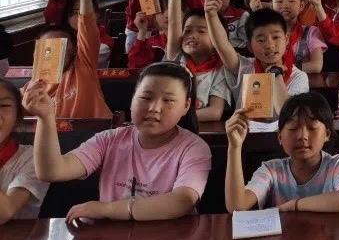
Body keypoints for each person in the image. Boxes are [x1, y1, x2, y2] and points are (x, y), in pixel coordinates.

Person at [22, 62, 211, 222]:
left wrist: (107, 209)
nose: (154, 108)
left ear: (186, 106)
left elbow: (182, 201)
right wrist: (45, 118)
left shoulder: (193, 148)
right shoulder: (110, 139)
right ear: (132, 99)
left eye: (168, 100)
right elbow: (52, 171)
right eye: (146, 98)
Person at [224, 92, 339, 212]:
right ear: (279, 137)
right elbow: (237, 206)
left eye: (312, 127)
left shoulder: (337, 165)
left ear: (327, 134)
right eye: (293, 128)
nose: (302, 136)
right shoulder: (271, 170)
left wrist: (294, 205)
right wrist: (234, 147)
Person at [204, 0, 310, 122]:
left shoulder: (298, 77)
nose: (270, 45)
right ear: (250, 46)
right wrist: (211, 15)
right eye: (261, 40)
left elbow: (288, 115)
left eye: (276, 37)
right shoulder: (243, 67)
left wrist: (275, 73)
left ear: (286, 39)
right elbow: (222, 45)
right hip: (243, 132)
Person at [39, 0, 110, 119]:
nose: (55, 50)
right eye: (49, 47)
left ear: (73, 49)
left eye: (62, 45)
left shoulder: (83, 63)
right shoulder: (35, 85)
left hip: (90, 129)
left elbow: (87, 27)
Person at [164, 0, 229, 122]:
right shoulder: (178, 59)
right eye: (187, 31)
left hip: (194, 129)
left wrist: (173, 116)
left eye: (201, 31)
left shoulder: (220, 70)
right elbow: (173, 21)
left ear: (216, 38)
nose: (191, 35)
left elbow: (215, 112)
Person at [0, 78, 48, 223]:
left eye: (3, 105)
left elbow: (4, 213)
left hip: (16, 236)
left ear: (17, 117)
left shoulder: (33, 159)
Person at [254, 0, 326, 74]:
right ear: (271, 6)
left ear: (301, 6)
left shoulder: (311, 32)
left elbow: (316, 66)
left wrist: (281, 69)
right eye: (279, 1)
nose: (285, 5)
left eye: (292, 1)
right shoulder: (264, 34)